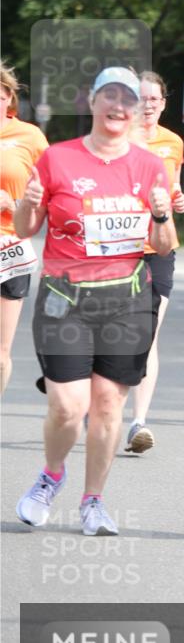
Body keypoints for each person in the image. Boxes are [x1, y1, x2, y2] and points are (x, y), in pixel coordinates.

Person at [14, 67, 176, 536]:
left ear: (135, 111)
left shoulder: (149, 165)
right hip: (65, 299)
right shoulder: (57, 159)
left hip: (126, 299)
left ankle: (93, 501)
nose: (119, 106)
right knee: (68, 406)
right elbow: (27, 228)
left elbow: (164, 245)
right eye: (110, 95)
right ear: (92, 102)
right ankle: (52, 474)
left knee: (108, 406)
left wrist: (162, 213)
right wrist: (27, 202)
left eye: (128, 99)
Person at [125, 71, 184, 453]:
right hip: (119, 246)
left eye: (154, 99)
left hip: (160, 246)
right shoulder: (117, 140)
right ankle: (101, 401)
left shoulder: (173, 142)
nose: (148, 105)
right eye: (141, 98)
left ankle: (138, 423)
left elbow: (175, 187)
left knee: (149, 334)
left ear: (164, 103)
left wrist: (179, 200)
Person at [0, 61, 49, 394]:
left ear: (9, 97)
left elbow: (50, 193)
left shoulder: (29, 136)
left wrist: (14, 206)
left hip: (10, 250)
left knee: (0, 356)